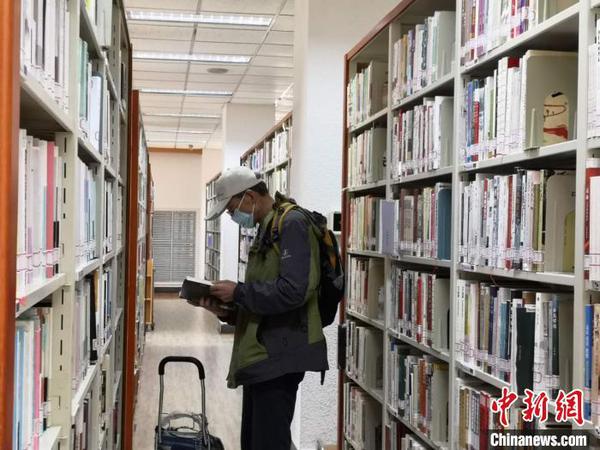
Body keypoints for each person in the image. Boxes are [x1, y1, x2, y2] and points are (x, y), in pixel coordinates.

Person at [195, 166, 329, 450]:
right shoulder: (266, 226)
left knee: (268, 442)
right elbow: (265, 295)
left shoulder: (291, 224)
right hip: (262, 353)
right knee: (255, 441)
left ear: (250, 196)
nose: (233, 218)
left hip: (280, 355)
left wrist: (239, 292)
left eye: (232, 210)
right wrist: (227, 311)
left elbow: (293, 291)